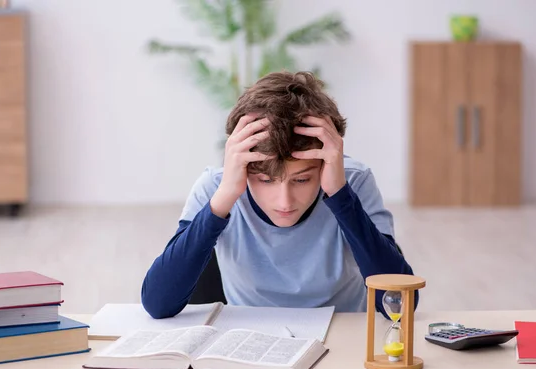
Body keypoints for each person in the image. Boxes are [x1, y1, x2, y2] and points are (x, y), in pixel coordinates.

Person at [141, 71, 418, 320]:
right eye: (265, 180)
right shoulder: (216, 187)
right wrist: (224, 198)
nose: (284, 202)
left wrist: (341, 196)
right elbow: (158, 303)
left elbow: (402, 305)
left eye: (302, 179)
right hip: (252, 344)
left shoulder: (353, 181)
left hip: (341, 342)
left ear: (325, 165)